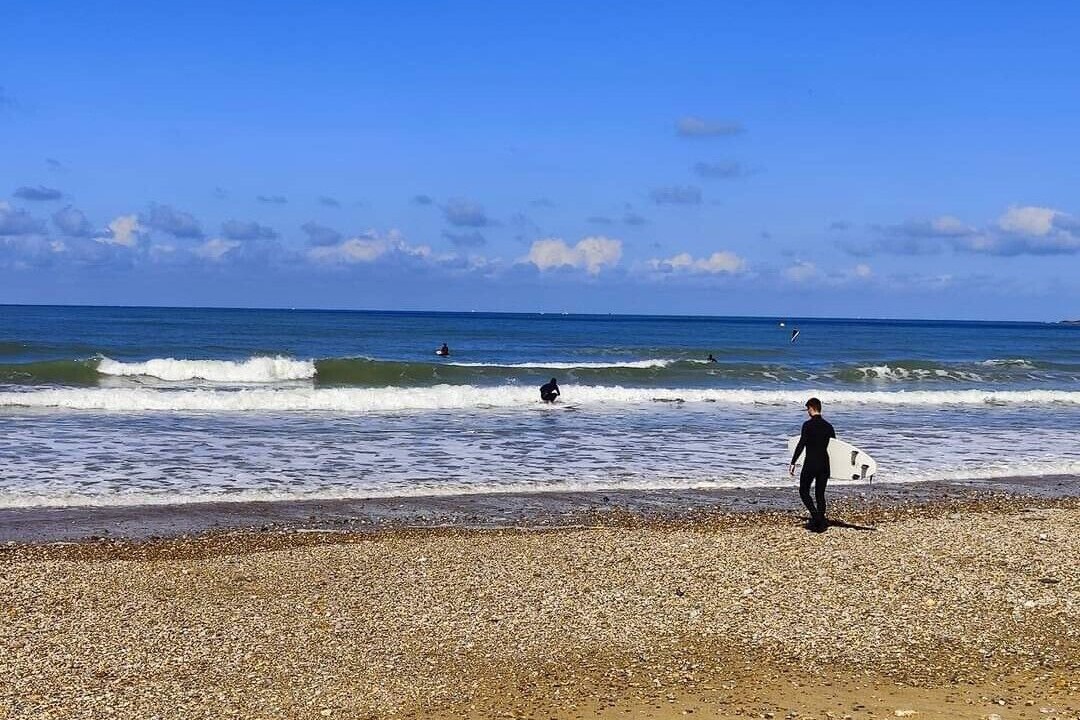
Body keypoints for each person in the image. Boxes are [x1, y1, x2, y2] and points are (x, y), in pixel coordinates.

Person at [789, 397, 835, 532]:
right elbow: (835, 448)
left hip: (811, 463)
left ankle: (816, 518)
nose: (807, 412)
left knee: (803, 491)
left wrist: (793, 462)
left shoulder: (807, 425)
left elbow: (801, 444)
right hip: (824, 464)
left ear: (811, 408)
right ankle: (821, 522)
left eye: (807, 409)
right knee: (820, 494)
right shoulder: (828, 426)